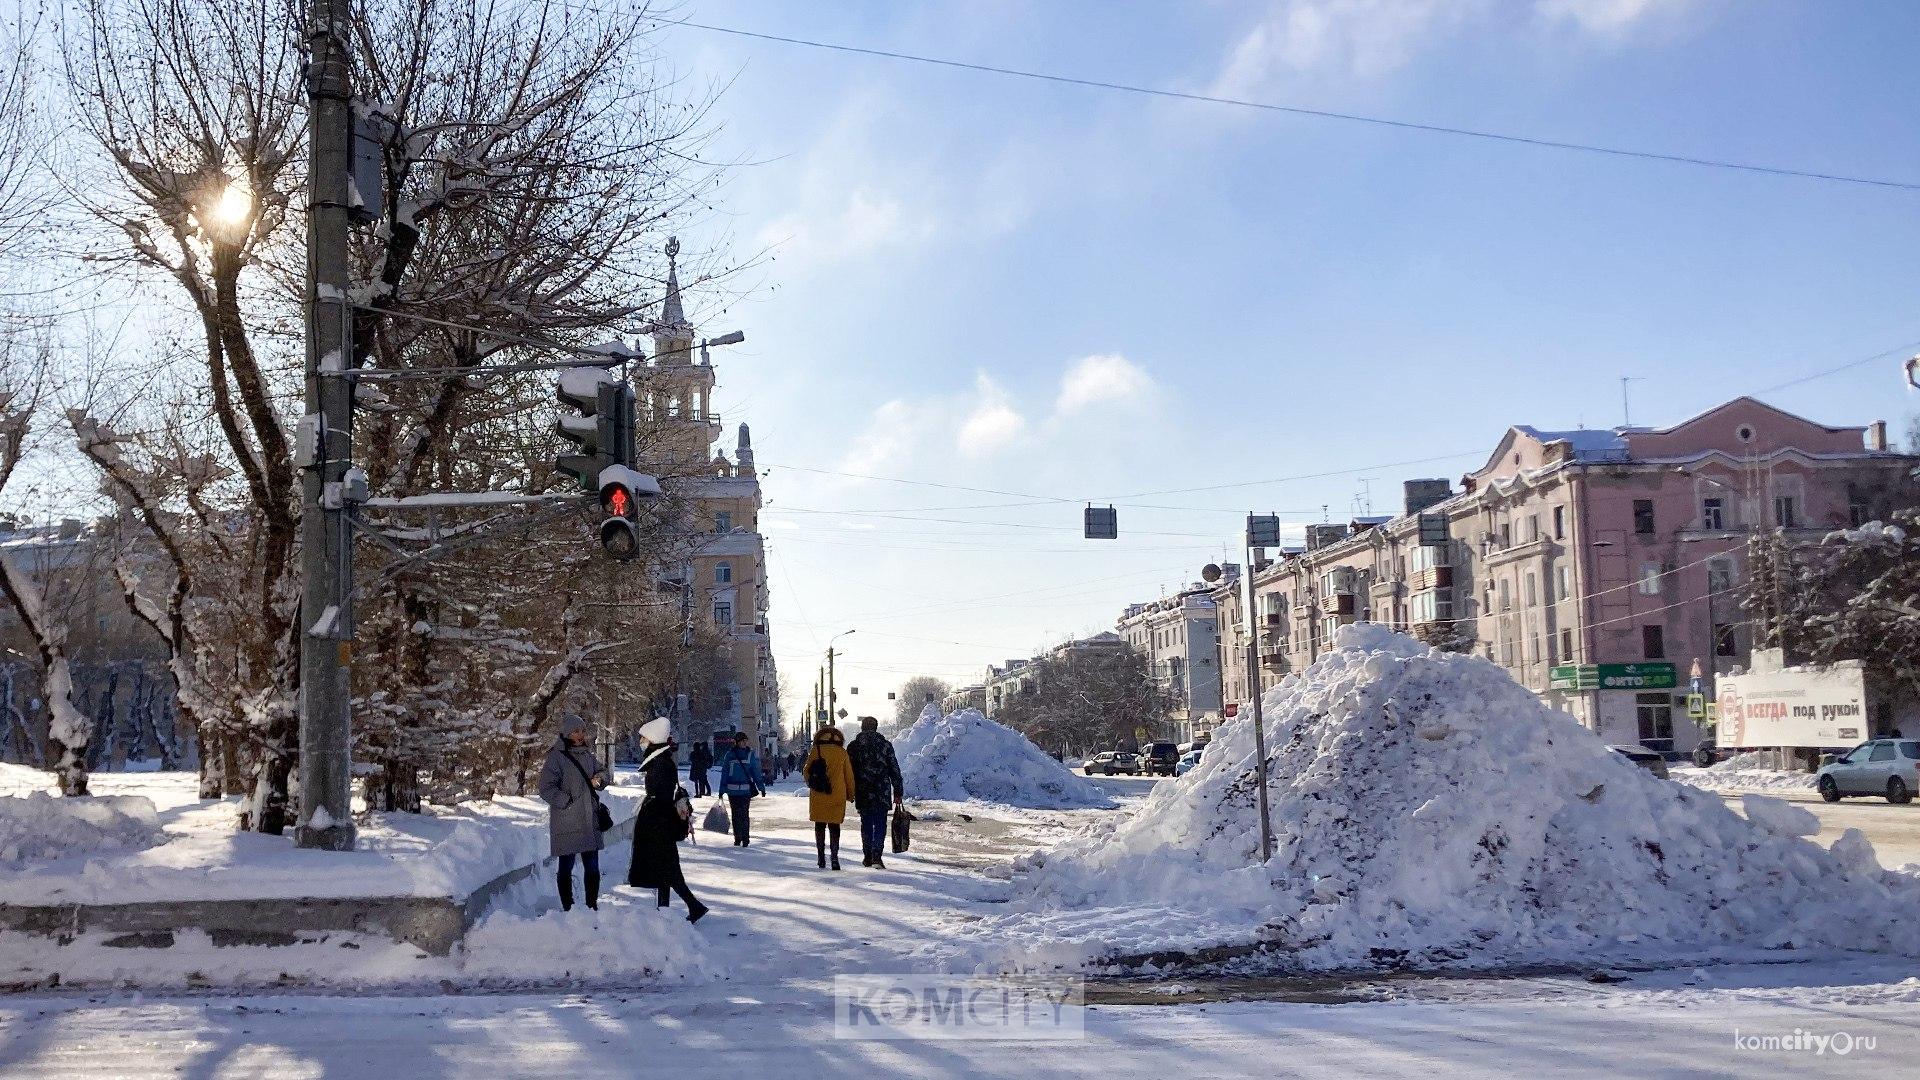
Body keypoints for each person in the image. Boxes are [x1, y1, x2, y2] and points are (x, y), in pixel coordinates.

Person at [627, 717, 708, 922]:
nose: (641, 741)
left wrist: (653, 813)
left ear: (653, 738)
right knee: (665, 868)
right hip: (659, 820)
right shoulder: (661, 759)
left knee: (667, 868)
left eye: (644, 738)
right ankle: (669, 909)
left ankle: (689, 907)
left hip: (658, 822)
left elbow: (662, 794)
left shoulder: (661, 761)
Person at [536, 715, 610, 911]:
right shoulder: (556, 757)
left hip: (589, 820)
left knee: (592, 867)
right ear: (567, 733)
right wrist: (565, 800)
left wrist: (600, 779)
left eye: (583, 731)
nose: (580, 735)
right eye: (576, 731)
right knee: (565, 867)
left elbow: (604, 772)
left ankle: (591, 906)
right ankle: (568, 908)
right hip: (567, 821)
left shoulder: (587, 755)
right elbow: (545, 788)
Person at [847, 716, 905, 868]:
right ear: (876, 727)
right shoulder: (885, 745)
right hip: (882, 791)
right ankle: (877, 855)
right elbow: (894, 769)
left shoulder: (854, 747)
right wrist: (898, 791)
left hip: (862, 790)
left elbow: (848, 771)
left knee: (866, 823)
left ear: (862, 728)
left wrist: (849, 790)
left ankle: (867, 855)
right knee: (880, 823)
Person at [803, 724, 857, 869]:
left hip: (819, 793)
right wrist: (851, 794)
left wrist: (812, 783)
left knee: (819, 825)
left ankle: (821, 857)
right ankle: (834, 858)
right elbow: (849, 776)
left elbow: (806, 771)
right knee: (834, 826)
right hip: (837, 795)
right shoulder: (842, 753)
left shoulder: (816, 750)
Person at [717, 731, 767, 846]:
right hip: (732, 791)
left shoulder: (750, 754)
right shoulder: (729, 755)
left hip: (745, 790)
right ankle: (737, 837)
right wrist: (721, 790)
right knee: (735, 815)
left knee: (744, 814)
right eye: (742, 741)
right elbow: (724, 773)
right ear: (737, 742)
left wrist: (761, 787)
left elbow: (756, 773)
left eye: (746, 741)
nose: (745, 743)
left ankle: (745, 838)